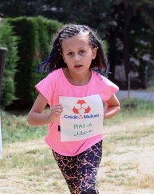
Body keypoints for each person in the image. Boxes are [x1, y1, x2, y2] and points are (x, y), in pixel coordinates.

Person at [27, 24, 120, 193]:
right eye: (70, 54)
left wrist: (101, 116)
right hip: (62, 148)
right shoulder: (54, 80)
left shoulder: (99, 82)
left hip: (91, 142)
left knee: (87, 188)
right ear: (63, 56)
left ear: (93, 52)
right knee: (77, 191)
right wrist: (49, 118)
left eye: (82, 52)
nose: (76, 58)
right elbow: (32, 117)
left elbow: (115, 106)